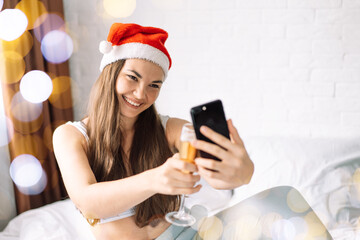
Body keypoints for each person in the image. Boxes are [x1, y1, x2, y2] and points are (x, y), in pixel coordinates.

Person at [52, 23, 254, 240]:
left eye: (154, 85)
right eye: (132, 77)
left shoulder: (170, 129)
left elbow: (217, 177)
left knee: (281, 200)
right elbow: (88, 203)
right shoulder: (71, 136)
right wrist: (156, 179)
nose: (140, 94)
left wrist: (243, 172)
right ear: (111, 74)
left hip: (184, 234)